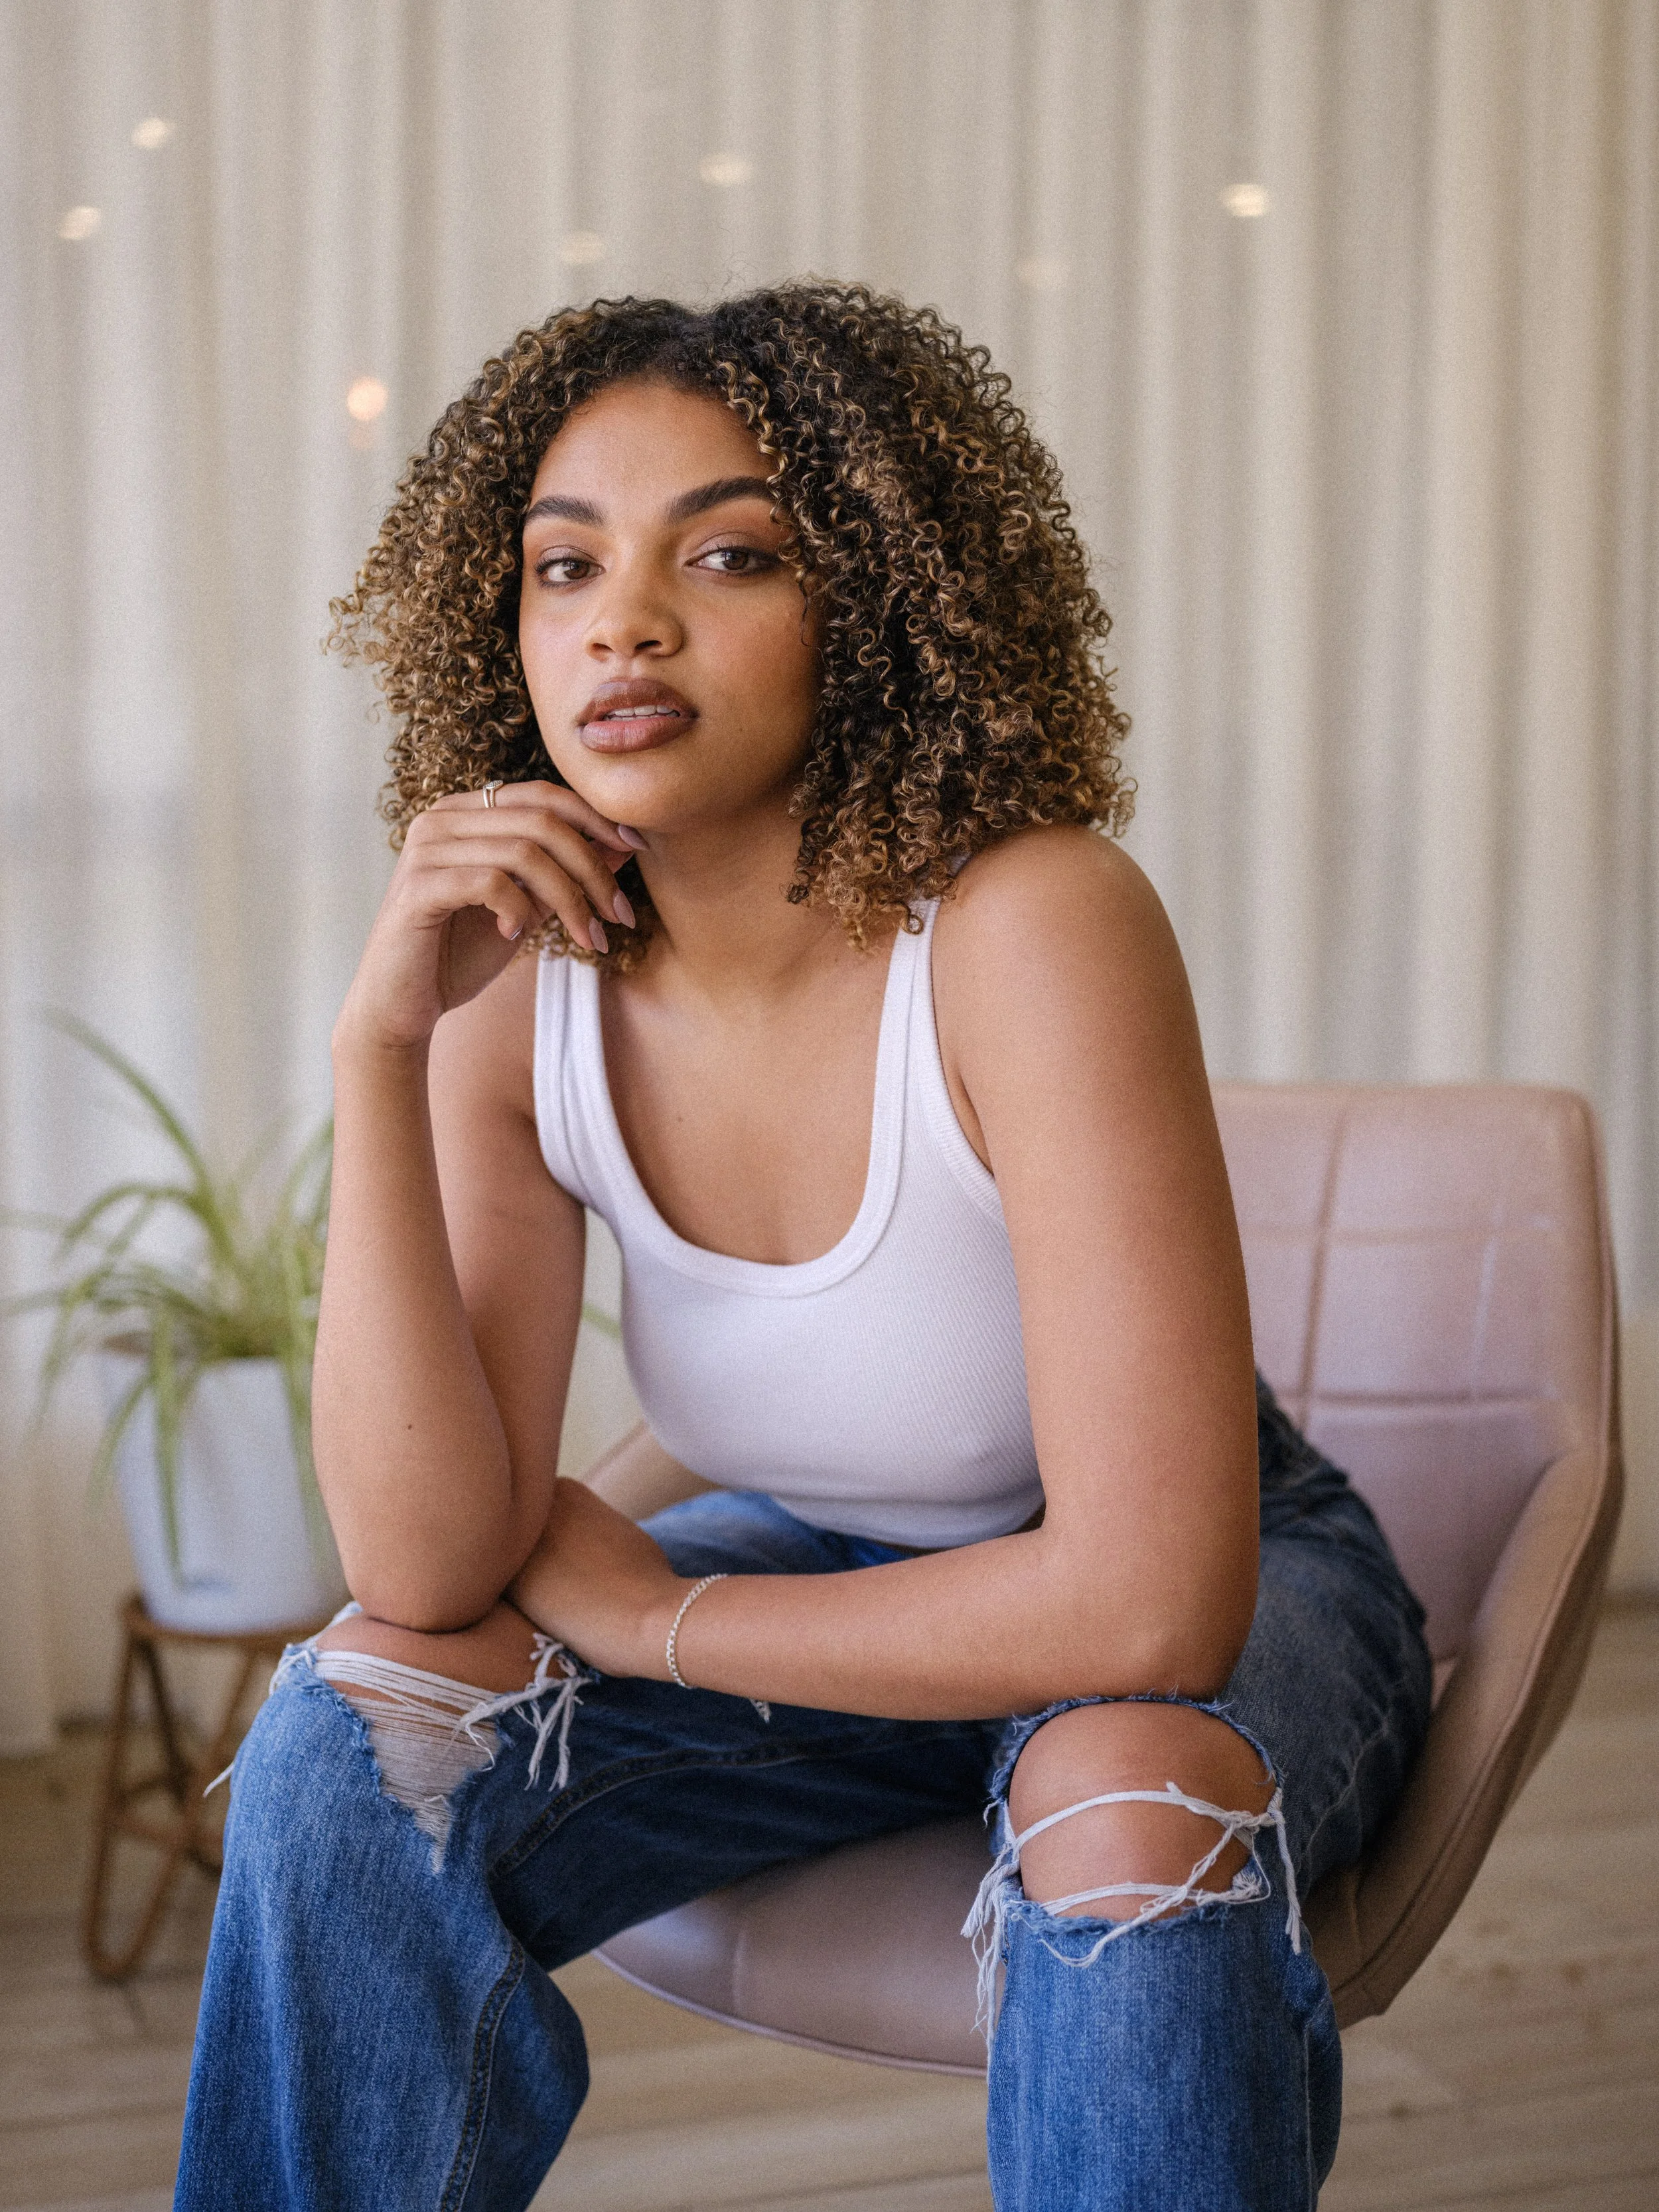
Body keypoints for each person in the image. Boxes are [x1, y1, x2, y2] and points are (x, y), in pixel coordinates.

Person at [175, 284, 1431, 2211]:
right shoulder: (524, 991)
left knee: (1120, 1801)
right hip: (838, 1573)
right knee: (353, 1736)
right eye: (562, 565)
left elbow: (1149, 1605)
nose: (625, 620)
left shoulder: (1030, 924)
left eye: (732, 552)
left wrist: (659, 1615)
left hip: (1211, 1577)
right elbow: (424, 1565)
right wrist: (381, 1043)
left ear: (881, 601)